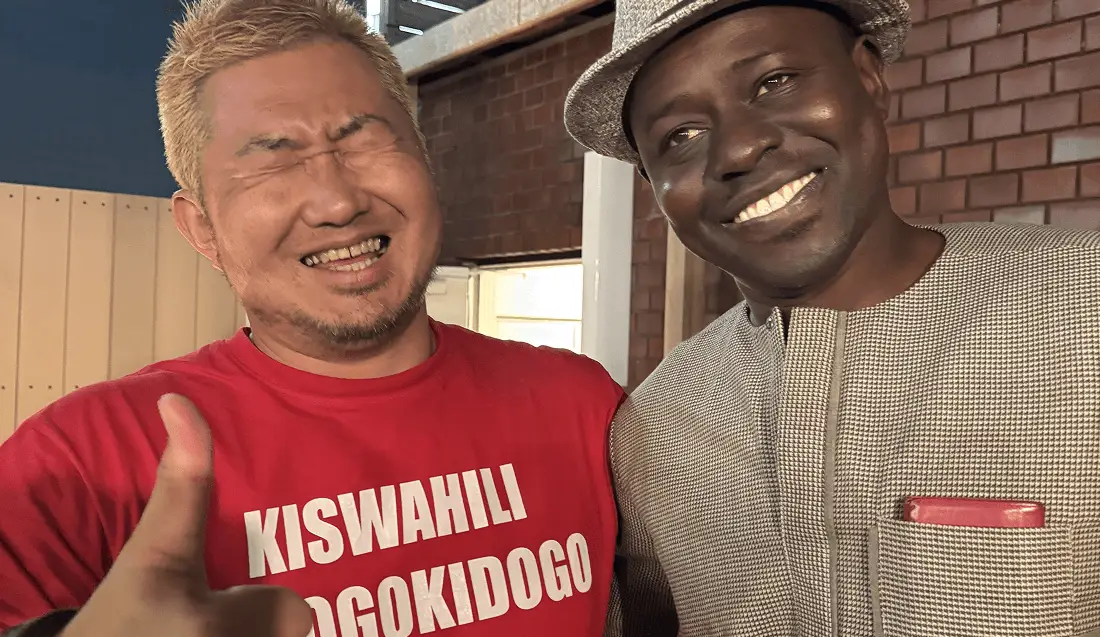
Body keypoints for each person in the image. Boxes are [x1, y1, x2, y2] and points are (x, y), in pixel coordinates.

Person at [0, 1, 624, 636]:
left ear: (424, 160)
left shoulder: (584, 405)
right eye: (272, 160)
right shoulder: (81, 464)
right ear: (202, 229)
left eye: (362, 139)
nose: (336, 202)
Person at [565, 0, 1100, 635]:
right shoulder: (654, 426)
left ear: (868, 76)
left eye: (774, 81)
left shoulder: (1082, 307)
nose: (738, 148)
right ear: (653, 185)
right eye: (679, 136)